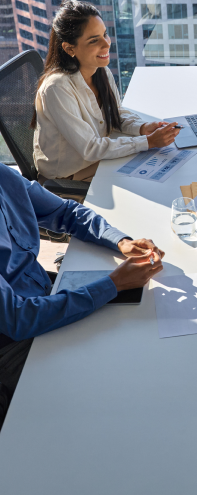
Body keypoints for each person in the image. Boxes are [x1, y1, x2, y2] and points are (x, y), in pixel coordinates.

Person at [0, 162, 164, 428]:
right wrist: (114, 284)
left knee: (145, 330)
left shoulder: (2, 175)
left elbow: (65, 212)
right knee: (117, 388)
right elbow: (19, 320)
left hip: (41, 295)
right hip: (13, 340)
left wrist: (120, 241)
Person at [33, 0, 180, 183]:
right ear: (70, 48)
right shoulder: (57, 88)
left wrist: (142, 128)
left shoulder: (100, 71)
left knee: (165, 167)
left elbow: (115, 114)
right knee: (152, 179)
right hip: (69, 177)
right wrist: (148, 142)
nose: (106, 44)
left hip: (96, 159)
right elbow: (91, 148)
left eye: (105, 34)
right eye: (94, 40)